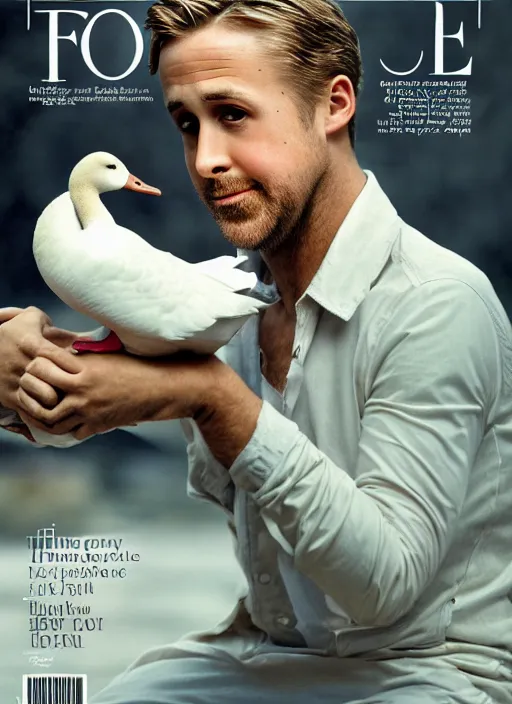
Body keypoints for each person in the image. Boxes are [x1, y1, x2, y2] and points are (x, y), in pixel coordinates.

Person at [1, 0, 511, 701]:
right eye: (187, 124)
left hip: (431, 673)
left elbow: (384, 587)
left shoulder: (439, 303)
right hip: (259, 659)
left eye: (233, 114)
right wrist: (14, 365)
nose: (206, 159)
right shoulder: (216, 300)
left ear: (333, 105)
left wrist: (214, 400)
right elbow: (72, 409)